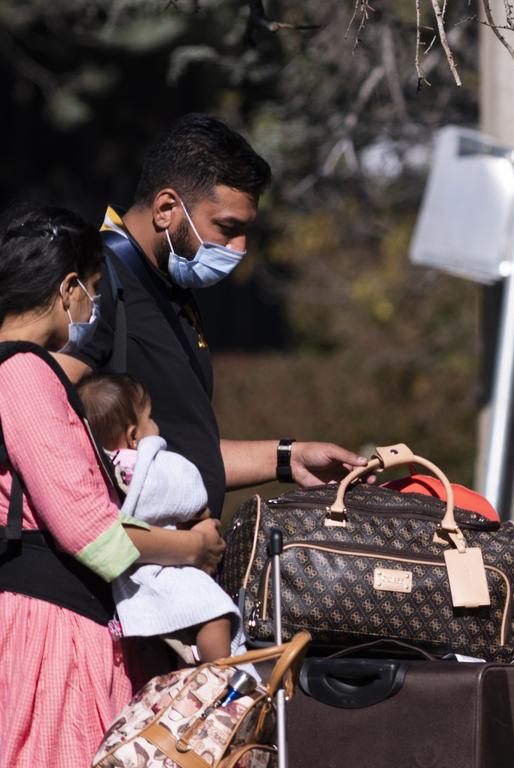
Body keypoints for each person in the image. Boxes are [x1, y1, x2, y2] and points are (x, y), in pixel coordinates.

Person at [0, 207, 225, 768]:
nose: (92, 309)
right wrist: (192, 549)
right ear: (68, 288)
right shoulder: (22, 374)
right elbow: (92, 532)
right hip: (52, 634)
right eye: (93, 292)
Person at [57, 113, 365, 518]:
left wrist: (289, 458)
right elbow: (46, 422)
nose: (239, 248)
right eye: (226, 227)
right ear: (166, 208)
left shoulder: (172, 291)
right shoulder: (96, 282)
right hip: (125, 568)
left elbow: (187, 452)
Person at [78, 372, 244, 663]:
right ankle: (218, 672)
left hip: (132, 579)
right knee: (215, 612)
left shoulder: (99, 469)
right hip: (165, 565)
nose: (156, 426)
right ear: (133, 436)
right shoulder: (149, 465)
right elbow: (187, 491)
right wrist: (201, 511)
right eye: (150, 419)